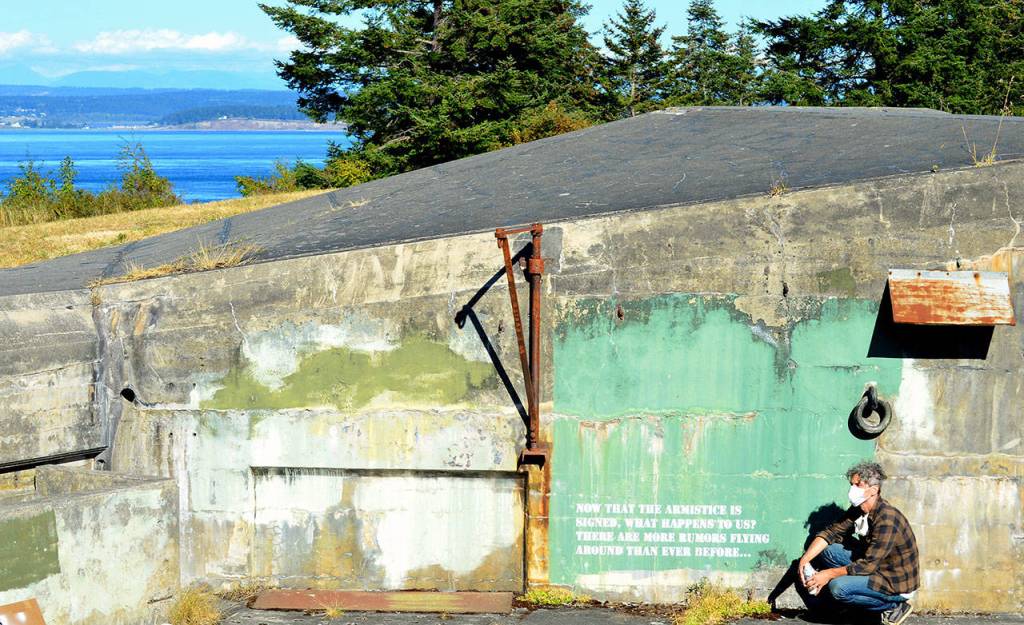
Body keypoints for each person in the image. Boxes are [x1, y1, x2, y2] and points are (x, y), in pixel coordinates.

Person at [799, 461, 919, 625]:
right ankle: (858, 603)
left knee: (838, 587)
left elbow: (867, 566)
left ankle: (894, 606)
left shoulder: (887, 519)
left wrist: (827, 574)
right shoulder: (859, 509)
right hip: (875, 566)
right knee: (829, 550)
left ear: (873, 490)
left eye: (858, 485)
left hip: (894, 581)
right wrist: (804, 560)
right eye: (852, 484)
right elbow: (832, 532)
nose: (852, 489)